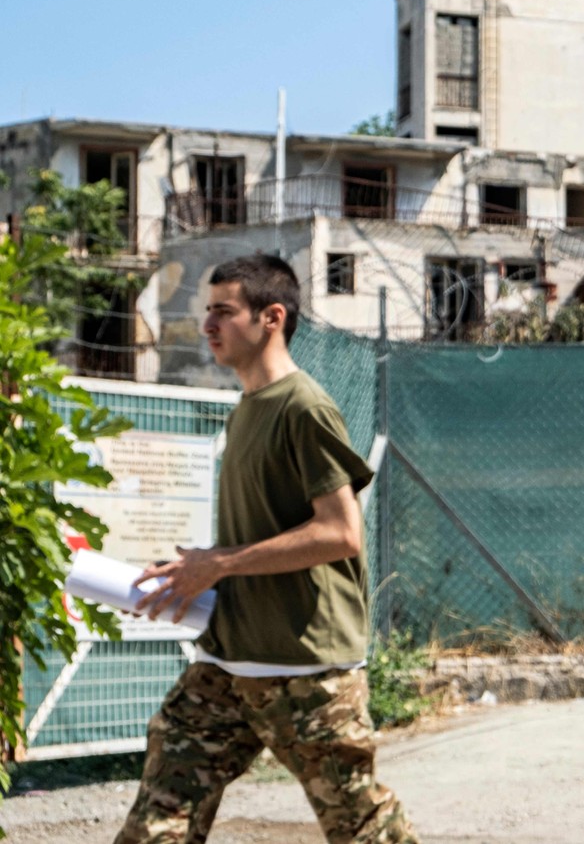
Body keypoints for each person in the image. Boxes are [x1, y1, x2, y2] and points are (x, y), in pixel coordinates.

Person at [116, 254, 415, 844]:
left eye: (223, 312)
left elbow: (340, 533)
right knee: (161, 815)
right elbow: (262, 531)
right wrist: (194, 571)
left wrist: (220, 564)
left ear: (271, 317)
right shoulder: (247, 409)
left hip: (306, 673)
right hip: (229, 664)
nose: (209, 325)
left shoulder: (304, 407)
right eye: (208, 311)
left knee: (362, 828)